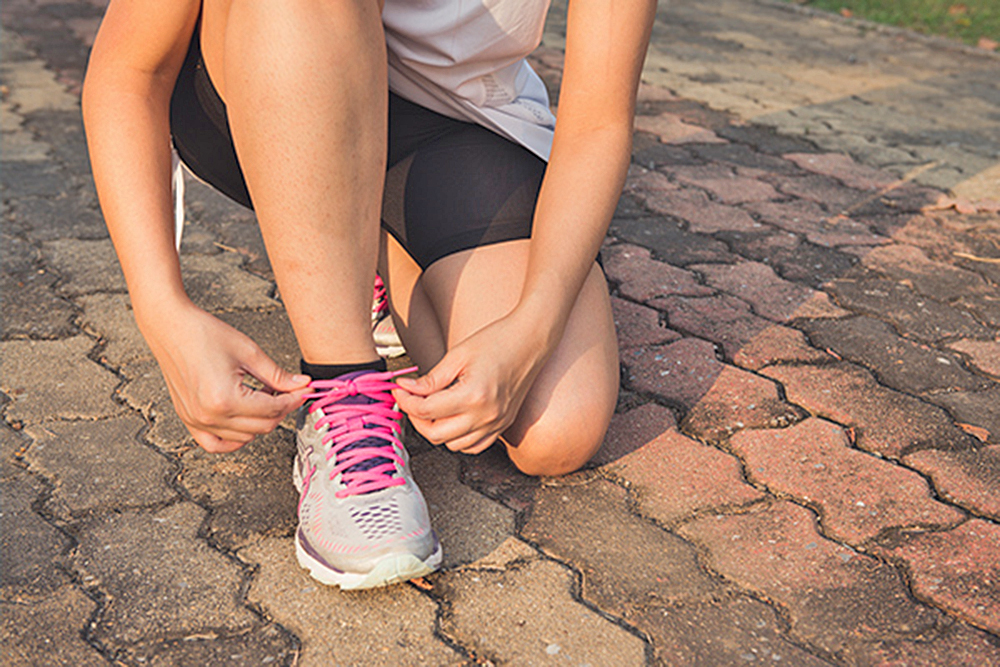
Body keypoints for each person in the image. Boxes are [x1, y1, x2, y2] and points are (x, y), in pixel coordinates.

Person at [82, 0, 656, 589]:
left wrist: (533, 325)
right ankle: (343, 393)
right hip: (269, 64)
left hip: (452, 119)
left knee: (555, 429)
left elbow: (599, 121)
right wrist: (161, 307)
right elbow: (130, 72)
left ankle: (361, 248)